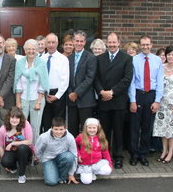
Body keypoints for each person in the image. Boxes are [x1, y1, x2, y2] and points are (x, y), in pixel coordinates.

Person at [94, 32, 132, 169]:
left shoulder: (126, 58)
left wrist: (112, 92)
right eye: (109, 42)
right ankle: (105, 156)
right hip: (104, 100)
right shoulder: (100, 58)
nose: (111, 45)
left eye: (114, 42)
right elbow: (96, 78)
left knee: (118, 131)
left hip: (118, 101)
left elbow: (127, 79)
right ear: (106, 43)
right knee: (104, 131)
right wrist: (101, 92)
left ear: (119, 43)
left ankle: (118, 157)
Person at [127, 35, 164, 166]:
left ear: (151, 45)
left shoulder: (157, 60)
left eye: (147, 44)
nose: (145, 47)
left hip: (151, 96)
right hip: (138, 94)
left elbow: (160, 82)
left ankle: (143, 154)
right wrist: (132, 100)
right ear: (140, 45)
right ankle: (134, 154)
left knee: (147, 127)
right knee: (135, 127)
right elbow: (131, 82)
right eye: (143, 44)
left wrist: (157, 101)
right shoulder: (133, 60)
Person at [152, 45, 173, 164]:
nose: (171, 56)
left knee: (171, 129)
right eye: (169, 54)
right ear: (165, 55)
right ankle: (164, 150)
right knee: (162, 128)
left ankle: (171, 151)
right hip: (161, 102)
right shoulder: (160, 67)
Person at [15, 39, 49, 143]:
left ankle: (35, 151)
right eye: (28, 49)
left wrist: (38, 102)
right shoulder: (20, 63)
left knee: (35, 127)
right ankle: (22, 148)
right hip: (23, 99)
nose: (31, 51)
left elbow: (43, 83)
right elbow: (17, 82)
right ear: (25, 50)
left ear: (37, 50)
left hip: (37, 99)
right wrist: (18, 102)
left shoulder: (41, 63)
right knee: (21, 125)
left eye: (33, 49)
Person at [67, 30, 97, 137]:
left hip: (85, 100)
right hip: (71, 100)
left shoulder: (91, 58)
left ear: (85, 42)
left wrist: (77, 93)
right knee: (72, 130)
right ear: (73, 41)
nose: (79, 43)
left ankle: (86, 152)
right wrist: (71, 93)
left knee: (87, 131)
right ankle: (74, 152)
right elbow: (67, 78)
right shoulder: (68, 58)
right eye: (77, 41)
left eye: (81, 41)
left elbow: (89, 78)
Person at [40, 33, 69, 133]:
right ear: (45, 44)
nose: (51, 45)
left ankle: (59, 144)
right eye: (49, 42)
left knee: (58, 123)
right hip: (44, 94)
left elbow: (65, 80)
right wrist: (43, 93)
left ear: (57, 43)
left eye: (53, 42)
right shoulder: (41, 59)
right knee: (46, 122)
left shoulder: (63, 59)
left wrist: (57, 96)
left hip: (58, 95)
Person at [35, 117, 78, 186]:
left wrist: (71, 174)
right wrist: (40, 159)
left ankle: (62, 177)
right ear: (51, 128)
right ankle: (51, 170)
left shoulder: (70, 137)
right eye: (56, 129)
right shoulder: (44, 137)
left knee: (69, 157)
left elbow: (74, 155)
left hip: (63, 157)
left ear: (65, 128)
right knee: (51, 182)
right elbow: (38, 150)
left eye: (61, 129)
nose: (58, 132)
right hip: (48, 159)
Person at [0, 107, 34, 183]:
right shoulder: (3, 129)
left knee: (22, 148)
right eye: (12, 117)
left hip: (25, 151)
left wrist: (13, 143)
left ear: (20, 119)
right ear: (8, 118)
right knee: (5, 162)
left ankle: (22, 175)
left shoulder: (26, 125)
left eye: (17, 118)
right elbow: (0, 146)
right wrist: (4, 161)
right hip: (11, 151)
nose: (14, 120)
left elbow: (29, 141)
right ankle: (13, 167)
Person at [75, 118, 112, 184]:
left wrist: (109, 163)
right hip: (85, 164)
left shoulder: (101, 138)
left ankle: (93, 171)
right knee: (86, 181)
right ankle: (87, 172)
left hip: (97, 163)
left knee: (107, 170)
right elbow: (74, 145)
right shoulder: (81, 137)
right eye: (89, 128)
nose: (92, 130)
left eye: (94, 128)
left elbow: (105, 152)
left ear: (98, 128)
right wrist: (78, 155)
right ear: (86, 128)